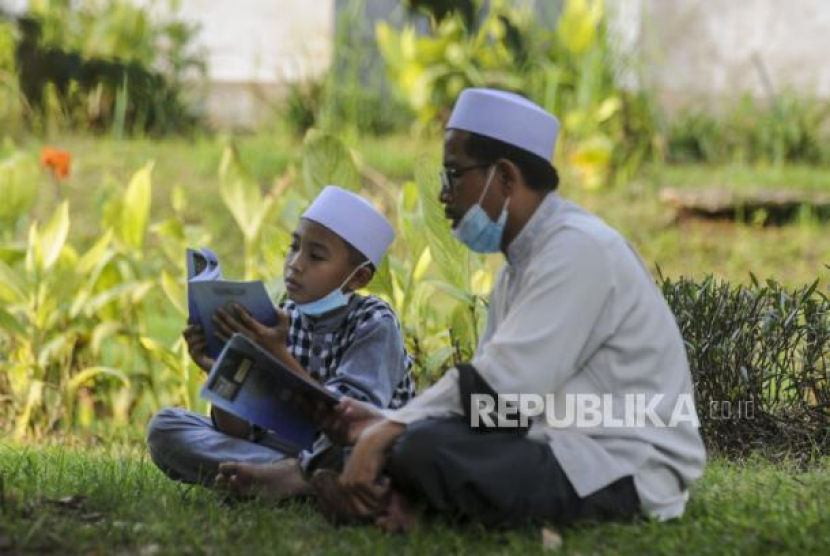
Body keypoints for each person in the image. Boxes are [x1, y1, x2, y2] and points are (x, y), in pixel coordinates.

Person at [309, 88, 707, 531]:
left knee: (420, 449)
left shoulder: (578, 250)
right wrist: (385, 422)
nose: (444, 196)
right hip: (556, 441)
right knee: (403, 441)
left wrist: (388, 430)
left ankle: (404, 505)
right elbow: (491, 409)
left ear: (505, 178)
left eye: (454, 175)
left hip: (625, 464)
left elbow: (498, 390)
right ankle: (401, 503)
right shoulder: (518, 270)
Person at [146, 185, 416, 500]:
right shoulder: (282, 314)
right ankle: (291, 478)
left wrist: (277, 353)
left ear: (357, 279)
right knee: (166, 427)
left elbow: (347, 424)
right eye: (294, 247)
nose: (296, 264)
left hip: (357, 449)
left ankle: (295, 477)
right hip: (287, 450)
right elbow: (237, 432)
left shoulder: (374, 324)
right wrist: (221, 368)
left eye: (315, 256)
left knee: (359, 457)